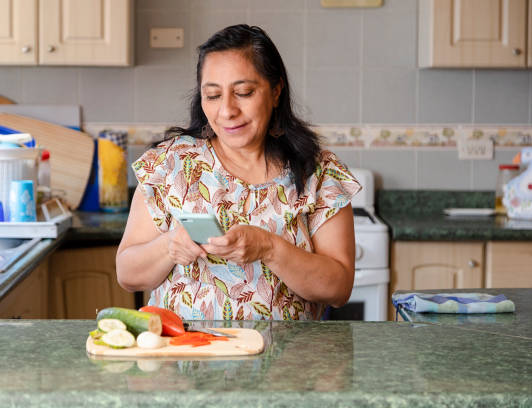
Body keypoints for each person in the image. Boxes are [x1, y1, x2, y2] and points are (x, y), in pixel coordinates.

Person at [116, 24, 361, 320]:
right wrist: (169, 246)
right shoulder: (169, 164)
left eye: (243, 92)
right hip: (185, 358)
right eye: (213, 95)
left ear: (275, 91)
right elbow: (127, 274)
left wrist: (269, 248)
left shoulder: (318, 172)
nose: (227, 110)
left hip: (290, 363)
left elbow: (338, 288)